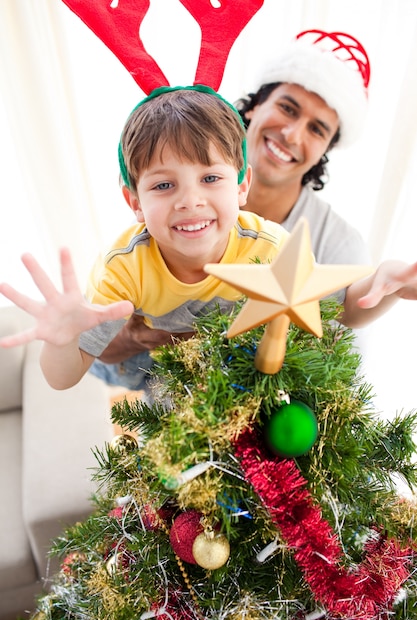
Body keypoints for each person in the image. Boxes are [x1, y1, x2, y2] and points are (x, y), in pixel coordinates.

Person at [1, 85, 417, 393]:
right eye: (164, 186)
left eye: (211, 178)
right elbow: (64, 375)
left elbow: (345, 307)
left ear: (241, 187)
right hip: (167, 378)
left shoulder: (270, 246)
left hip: (245, 374)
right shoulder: (123, 268)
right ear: (135, 202)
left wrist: (389, 283)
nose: (190, 201)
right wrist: (62, 340)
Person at [89, 31, 372, 392]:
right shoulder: (173, 206)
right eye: (287, 107)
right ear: (254, 105)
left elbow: (336, 360)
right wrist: (132, 337)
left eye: (317, 129)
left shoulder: (337, 243)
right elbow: (100, 350)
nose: (291, 134)